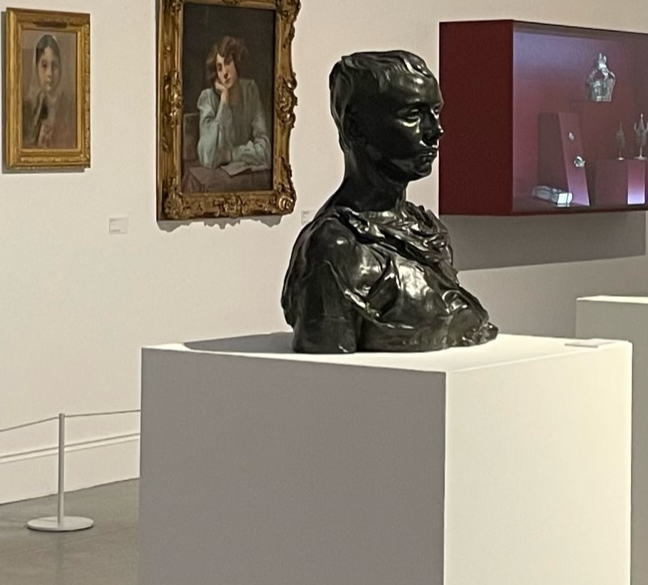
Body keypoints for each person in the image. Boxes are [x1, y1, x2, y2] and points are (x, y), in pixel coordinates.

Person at [280, 51, 497, 354]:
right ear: (355, 126)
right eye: (412, 115)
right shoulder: (335, 249)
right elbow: (327, 372)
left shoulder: (427, 230)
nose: (435, 130)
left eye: (436, 112)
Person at [195, 36, 268, 174]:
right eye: (219, 68)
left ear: (236, 62)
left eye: (228, 63)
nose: (225, 73)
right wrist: (224, 99)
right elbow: (207, 158)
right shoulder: (208, 98)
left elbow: (265, 150)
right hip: (218, 177)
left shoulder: (250, 91)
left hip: (243, 175)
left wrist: (231, 155)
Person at [25, 33, 74, 150]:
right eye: (44, 65)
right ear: (36, 67)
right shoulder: (29, 108)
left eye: (54, 66)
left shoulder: (70, 108)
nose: (49, 74)